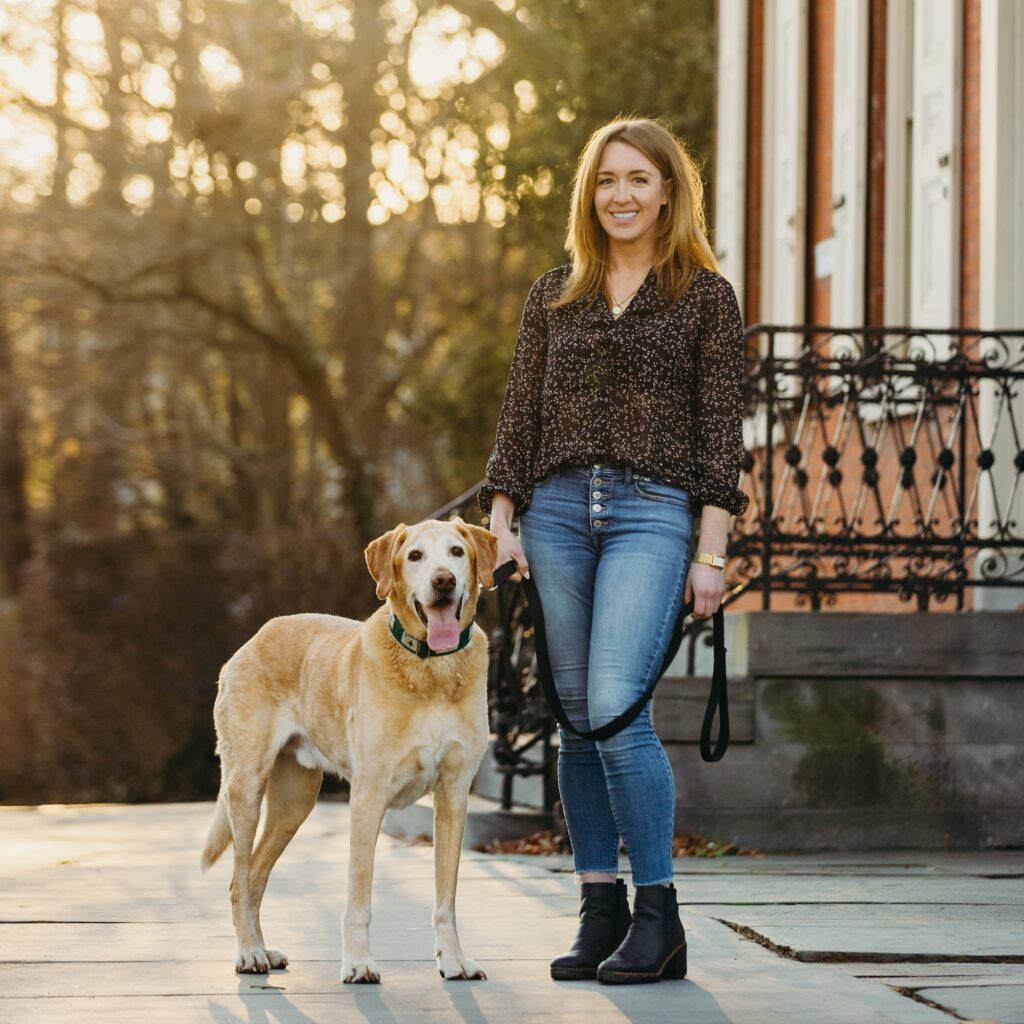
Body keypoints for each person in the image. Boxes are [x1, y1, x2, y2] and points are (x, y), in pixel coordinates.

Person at [478, 116, 749, 985]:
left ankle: (659, 914)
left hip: (650, 512)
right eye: (606, 180)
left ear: (670, 191)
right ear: (587, 196)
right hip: (555, 512)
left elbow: (721, 438)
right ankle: (600, 907)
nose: (622, 195)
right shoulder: (555, 292)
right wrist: (502, 514)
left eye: (638, 179)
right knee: (571, 721)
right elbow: (519, 411)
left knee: (613, 707)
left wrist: (711, 554)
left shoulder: (705, 297)